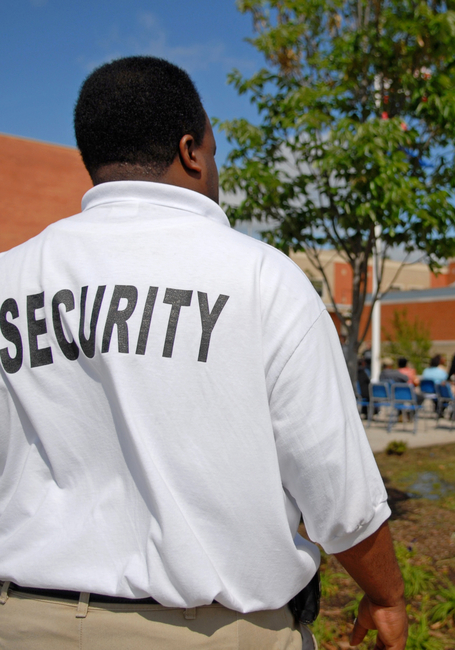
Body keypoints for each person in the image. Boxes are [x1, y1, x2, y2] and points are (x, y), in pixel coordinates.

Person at [0, 57, 407, 650]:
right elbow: (335, 488)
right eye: (214, 152)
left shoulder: (9, 279)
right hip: (206, 630)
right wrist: (386, 594)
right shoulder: (263, 279)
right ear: (192, 152)